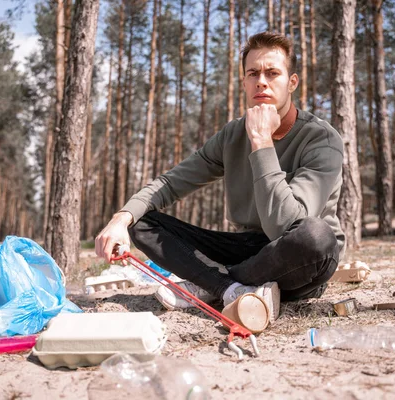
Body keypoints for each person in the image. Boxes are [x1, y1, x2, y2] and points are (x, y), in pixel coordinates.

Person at [95, 31, 345, 323]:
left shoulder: (321, 139)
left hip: (297, 256)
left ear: (292, 83)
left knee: (315, 236)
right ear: (244, 82)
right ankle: (230, 288)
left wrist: (262, 141)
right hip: (247, 250)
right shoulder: (232, 134)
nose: (261, 81)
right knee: (144, 221)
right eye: (253, 73)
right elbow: (170, 183)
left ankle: (209, 283)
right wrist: (120, 219)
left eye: (272, 73)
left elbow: (286, 226)